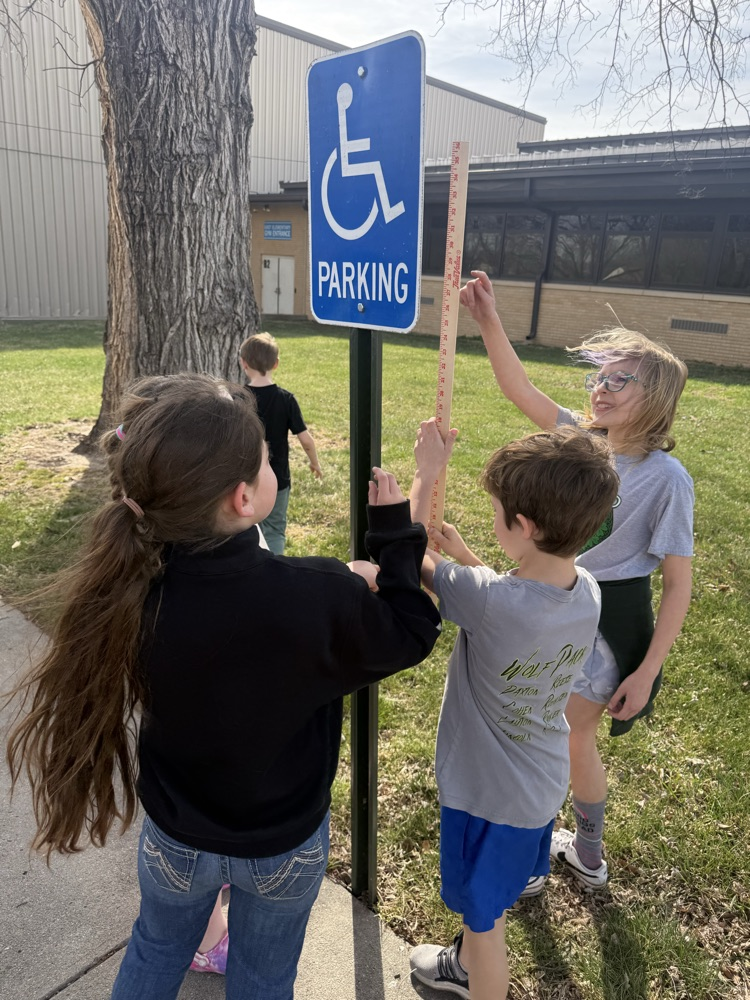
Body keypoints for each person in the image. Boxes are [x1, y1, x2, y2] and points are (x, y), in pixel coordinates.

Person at [6, 373, 442, 1000]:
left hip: (176, 838)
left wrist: (339, 586)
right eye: (266, 460)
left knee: (155, 950)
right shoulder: (317, 595)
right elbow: (412, 630)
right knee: (263, 978)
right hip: (283, 844)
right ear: (243, 498)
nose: (271, 468)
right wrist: (394, 535)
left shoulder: (129, 595)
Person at [459, 270, 694, 896]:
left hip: (609, 626)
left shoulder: (668, 479)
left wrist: (646, 671)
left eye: (620, 380)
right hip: (557, 606)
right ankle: (558, 854)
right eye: (599, 377)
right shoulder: (584, 443)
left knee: (564, 737)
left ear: (657, 396)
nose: (601, 388)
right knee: (549, 734)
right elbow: (519, 388)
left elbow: (677, 584)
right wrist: (489, 320)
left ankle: (560, 858)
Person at [407, 419, 620, 1000]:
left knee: (486, 929)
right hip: (538, 789)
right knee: (493, 902)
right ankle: (465, 965)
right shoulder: (586, 588)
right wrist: (464, 554)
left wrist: (427, 472)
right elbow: (515, 600)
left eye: (498, 512)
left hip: (485, 800)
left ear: (524, 527)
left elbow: (403, 553)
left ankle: (473, 978)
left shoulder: (490, 602)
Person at [240, 331, 322, 554]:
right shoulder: (286, 399)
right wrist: (315, 463)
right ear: (276, 363)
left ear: (244, 363)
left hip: (244, 476)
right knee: (275, 529)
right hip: (277, 478)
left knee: (245, 527)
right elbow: (305, 439)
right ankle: (273, 567)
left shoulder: (238, 398)